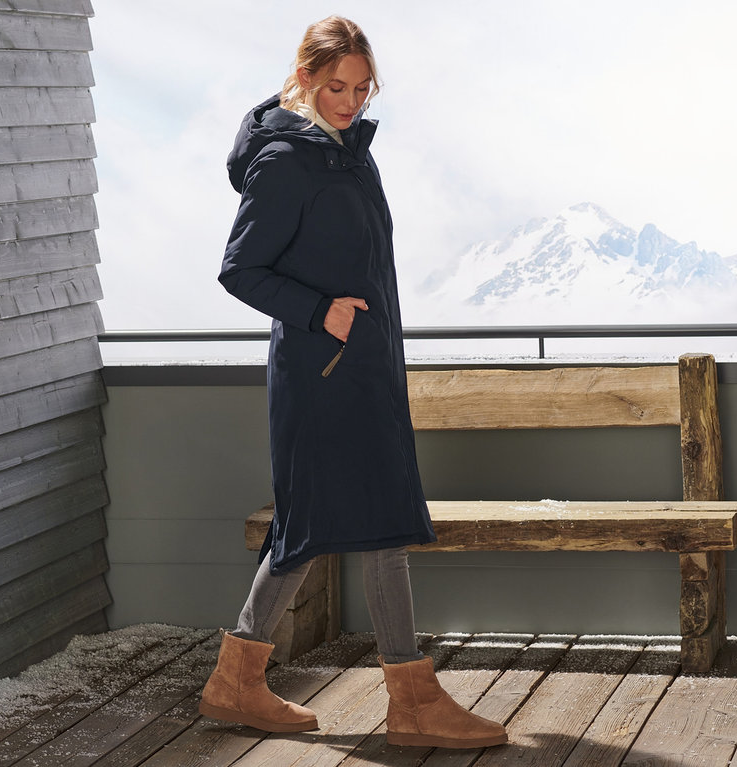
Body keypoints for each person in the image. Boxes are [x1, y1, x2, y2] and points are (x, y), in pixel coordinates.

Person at [199, 16, 507, 750]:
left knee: (344, 525)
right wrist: (319, 311)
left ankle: (240, 680)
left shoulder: (349, 155)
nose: (351, 100)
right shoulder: (285, 161)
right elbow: (239, 269)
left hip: (365, 371)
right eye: (337, 85)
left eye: (363, 87)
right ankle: (409, 695)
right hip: (319, 374)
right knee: (350, 525)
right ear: (304, 78)